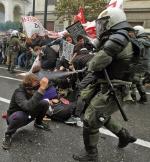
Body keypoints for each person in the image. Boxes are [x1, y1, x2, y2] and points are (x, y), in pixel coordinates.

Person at [73, 8, 137, 161]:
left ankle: (91, 155)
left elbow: (96, 64)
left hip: (114, 88)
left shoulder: (118, 40)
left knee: (90, 119)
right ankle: (124, 136)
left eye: (103, 23)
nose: (101, 26)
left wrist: (88, 62)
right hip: (112, 85)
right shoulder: (124, 37)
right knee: (100, 115)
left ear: (112, 21)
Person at [2, 73, 50, 150]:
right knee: (19, 115)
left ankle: (38, 123)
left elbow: (46, 87)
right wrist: (41, 89)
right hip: (15, 118)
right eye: (36, 81)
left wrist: (46, 82)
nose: (38, 83)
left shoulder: (33, 87)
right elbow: (27, 107)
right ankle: (8, 135)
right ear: (28, 83)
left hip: (28, 115)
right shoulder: (19, 92)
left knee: (44, 103)